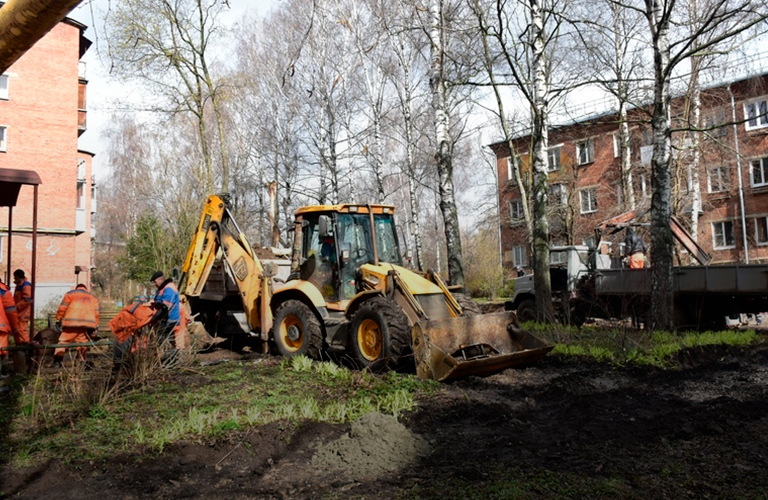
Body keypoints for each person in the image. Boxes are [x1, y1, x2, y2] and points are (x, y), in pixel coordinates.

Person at [53, 284, 100, 368]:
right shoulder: (93, 298)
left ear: (76, 288)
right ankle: (81, 363)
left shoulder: (70, 294)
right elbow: (96, 313)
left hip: (71, 324)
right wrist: (96, 325)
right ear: (86, 289)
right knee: (82, 344)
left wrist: (58, 320)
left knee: (63, 342)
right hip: (86, 325)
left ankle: (57, 362)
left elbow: (62, 308)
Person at [150, 270, 181, 347]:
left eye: (155, 281)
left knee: (162, 340)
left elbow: (165, 307)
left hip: (169, 320)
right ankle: (170, 354)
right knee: (166, 340)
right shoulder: (162, 288)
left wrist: (153, 319)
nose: (154, 284)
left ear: (160, 279)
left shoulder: (169, 288)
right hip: (166, 319)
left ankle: (167, 355)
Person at [0, 278, 21, 374]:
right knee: (2, 351)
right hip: (1, 328)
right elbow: (11, 312)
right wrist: (15, 328)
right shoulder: (3, 291)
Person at [12, 269, 33, 345]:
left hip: (24, 312)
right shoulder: (20, 286)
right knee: (18, 329)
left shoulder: (26, 286)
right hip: (20, 312)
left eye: (15, 277)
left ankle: (26, 344)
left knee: (21, 329)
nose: (14, 279)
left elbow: (27, 300)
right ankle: (20, 344)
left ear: (18, 277)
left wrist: (15, 307)